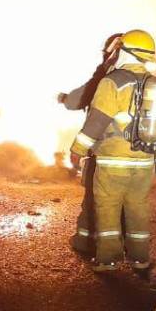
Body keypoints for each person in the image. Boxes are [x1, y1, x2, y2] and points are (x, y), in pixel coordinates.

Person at [69, 29, 156, 275]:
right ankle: (140, 258)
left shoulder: (112, 81)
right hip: (144, 163)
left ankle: (108, 260)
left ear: (124, 52)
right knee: (138, 208)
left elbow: (96, 122)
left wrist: (77, 149)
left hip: (112, 162)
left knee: (107, 208)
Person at [59, 33, 123, 255]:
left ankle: (86, 243)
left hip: (105, 152)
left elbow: (80, 101)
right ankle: (125, 248)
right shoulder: (145, 81)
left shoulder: (105, 78)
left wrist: (64, 98)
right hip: (135, 156)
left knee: (93, 199)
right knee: (127, 202)